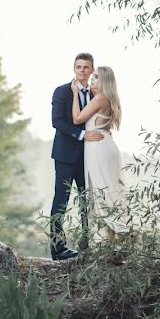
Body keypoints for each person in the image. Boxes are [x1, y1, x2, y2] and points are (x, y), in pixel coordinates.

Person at [49, 53, 103, 260]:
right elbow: (57, 122)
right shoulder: (62, 91)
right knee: (60, 201)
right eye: (78, 67)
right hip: (65, 156)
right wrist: (82, 134)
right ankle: (58, 249)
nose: (81, 70)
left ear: (91, 70)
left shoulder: (94, 95)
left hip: (88, 157)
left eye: (86, 67)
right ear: (74, 69)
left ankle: (87, 246)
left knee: (86, 202)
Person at [71, 66, 129, 242]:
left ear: (104, 80)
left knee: (102, 192)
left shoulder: (100, 99)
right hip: (104, 144)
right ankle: (114, 244)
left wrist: (75, 93)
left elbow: (77, 119)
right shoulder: (107, 98)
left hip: (98, 148)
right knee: (108, 193)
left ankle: (122, 238)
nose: (92, 80)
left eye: (96, 77)